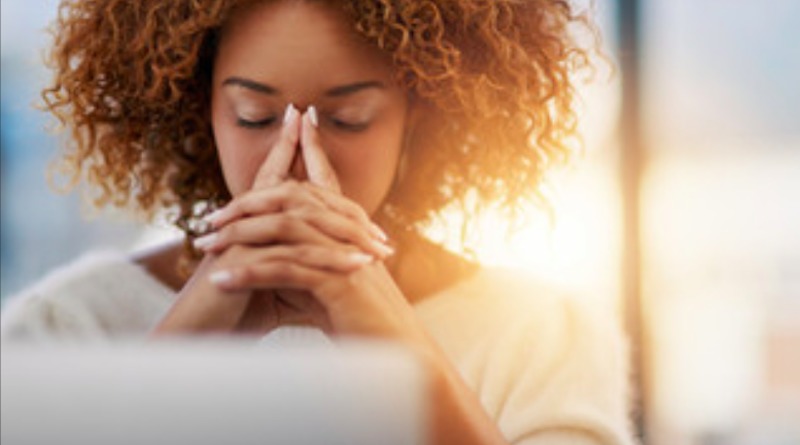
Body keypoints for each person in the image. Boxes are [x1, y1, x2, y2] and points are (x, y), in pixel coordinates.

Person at [1, 0, 634, 444]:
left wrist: (386, 327)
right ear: (202, 111)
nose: (301, 158)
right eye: (254, 116)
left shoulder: (542, 337)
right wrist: (190, 334)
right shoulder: (65, 327)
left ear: (418, 114)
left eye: (349, 118)